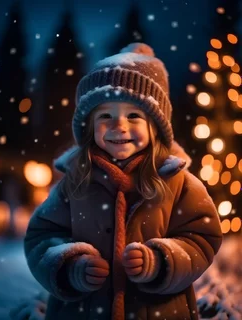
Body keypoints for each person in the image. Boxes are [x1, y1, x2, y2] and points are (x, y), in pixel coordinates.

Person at [20, 43, 223, 320]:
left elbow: (203, 237)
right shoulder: (76, 181)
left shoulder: (177, 181)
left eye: (134, 116)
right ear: (89, 126)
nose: (119, 126)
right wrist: (71, 267)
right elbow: (40, 237)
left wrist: (161, 261)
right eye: (105, 115)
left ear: (156, 126)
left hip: (158, 312)